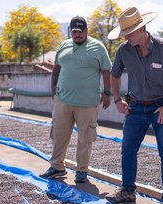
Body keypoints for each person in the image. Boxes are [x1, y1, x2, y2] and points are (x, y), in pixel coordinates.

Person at [105, 7, 163, 204]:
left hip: (161, 106)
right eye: (124, 34)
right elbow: (114, 76)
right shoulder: (123, 51)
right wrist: (117, 99)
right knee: (127, 150)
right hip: (135, 107)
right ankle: (127, 190)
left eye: (130, 33)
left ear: (142, 28)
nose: (127, 37)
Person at [39, 16, 112, 183]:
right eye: (74, 31)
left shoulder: (98, 47)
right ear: (70, 32)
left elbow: (106, 70)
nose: (77, 34)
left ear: (86, 30)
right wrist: (53, 89)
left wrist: (107, 93)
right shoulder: (64, 45)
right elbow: (57, 68)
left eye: (80, 31)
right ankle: (57, 166)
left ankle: (81, 171)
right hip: (63, 100)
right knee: (58, 134)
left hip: (87, 102)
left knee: (85, 138)